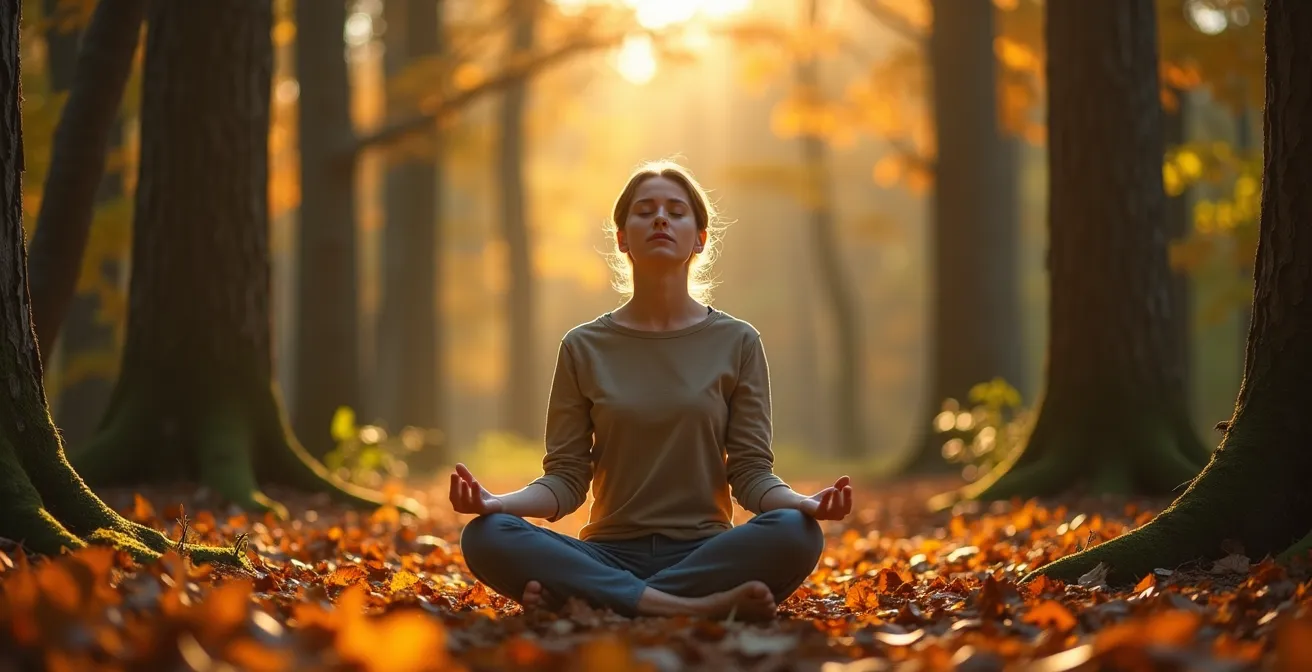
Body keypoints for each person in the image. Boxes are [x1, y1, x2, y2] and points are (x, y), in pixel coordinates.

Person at [451, 160, 853, 620]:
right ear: (623, 238)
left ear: (699, 239)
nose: (661, 218)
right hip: (607, 554)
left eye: (676, 212)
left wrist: (804, 504)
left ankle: (597, 600)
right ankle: (688, 607)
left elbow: (750, 473)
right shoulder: (583, 346)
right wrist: (495, 503)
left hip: (705, 553)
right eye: (645, 211)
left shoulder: (738, 341)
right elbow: (565, 479)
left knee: (796, 531)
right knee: (485, 534)